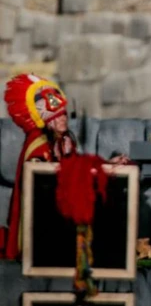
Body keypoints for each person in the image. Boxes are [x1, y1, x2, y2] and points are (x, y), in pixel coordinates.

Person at [0, 74, 77, 260]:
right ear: (47, 122)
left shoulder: (65, 141)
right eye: (57, 117)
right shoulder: (37, 142)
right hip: (42, 209)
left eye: (64, 115)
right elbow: (36, 174)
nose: (63, 120)